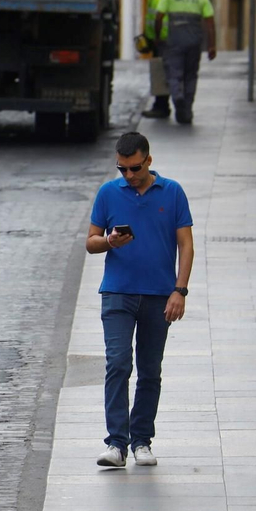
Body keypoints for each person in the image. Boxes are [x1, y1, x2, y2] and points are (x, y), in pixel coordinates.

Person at [85, 131, 195, 467]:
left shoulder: (172, 192)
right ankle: (116, 442)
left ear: (148, 160)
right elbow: (90, 242)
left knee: (150, 370)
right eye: (122, 169)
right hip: (117, 291)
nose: (129, 176)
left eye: (134, 168)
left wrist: (180, 290)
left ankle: (141, 440)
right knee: (117, 363)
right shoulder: (108, 193)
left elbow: (186, 245)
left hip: (159, 296)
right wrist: (110, 242)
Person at [146, 0, 217, 126]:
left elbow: (159, 17)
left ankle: (177, 96)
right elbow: (210, 23)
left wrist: (157, 37)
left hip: (174, 40)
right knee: (191, 74)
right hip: (194, 40)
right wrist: (212, 46)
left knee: (174, 71)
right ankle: (187, 109)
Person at [112, 0, 176, 119]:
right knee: (157, 71)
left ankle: (162, 105)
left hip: (167, 40)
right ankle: (160, 104)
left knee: (163, 72)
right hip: (154, 39)